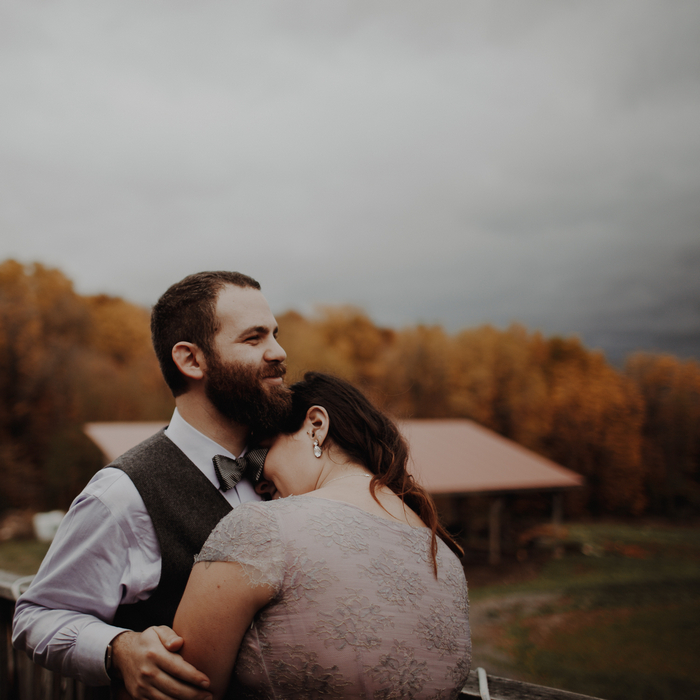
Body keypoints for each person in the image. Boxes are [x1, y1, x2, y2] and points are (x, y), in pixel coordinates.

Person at [13, 271, 291, 700]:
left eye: (274, 334)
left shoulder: (296, 465)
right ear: (191, 360)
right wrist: (117, 649)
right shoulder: (122, 494)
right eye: (254, 339)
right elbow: (37, 615)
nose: (279, 352)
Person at [173, 372, 471, 700]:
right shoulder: (446, 559)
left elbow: (182, 689)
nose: (256, 484)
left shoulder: (261, 529)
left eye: (261, 453)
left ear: (315, 424)